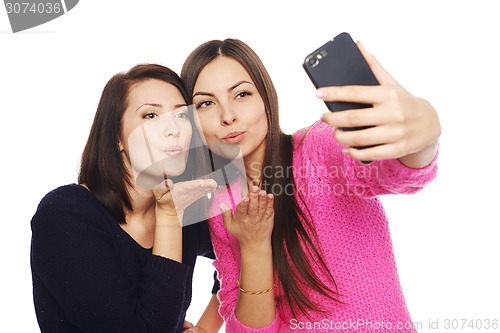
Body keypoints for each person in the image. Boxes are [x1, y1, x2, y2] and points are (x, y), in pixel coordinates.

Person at [180, 39, 440, 331]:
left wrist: (424, 136)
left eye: (241, 94)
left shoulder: (317, 149)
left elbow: (389, 169)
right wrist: (254, 247)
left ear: (266, 97)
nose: (228, 116)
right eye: (206, 103)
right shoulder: (221, 207)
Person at [30, 64, 223, 333]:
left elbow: (238, 256)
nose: (173, 129)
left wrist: (207, 328)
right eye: (151, 115)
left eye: (181, 115)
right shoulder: (65, 215)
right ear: (116, 136)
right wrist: (169, 218)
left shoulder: (185, 208)